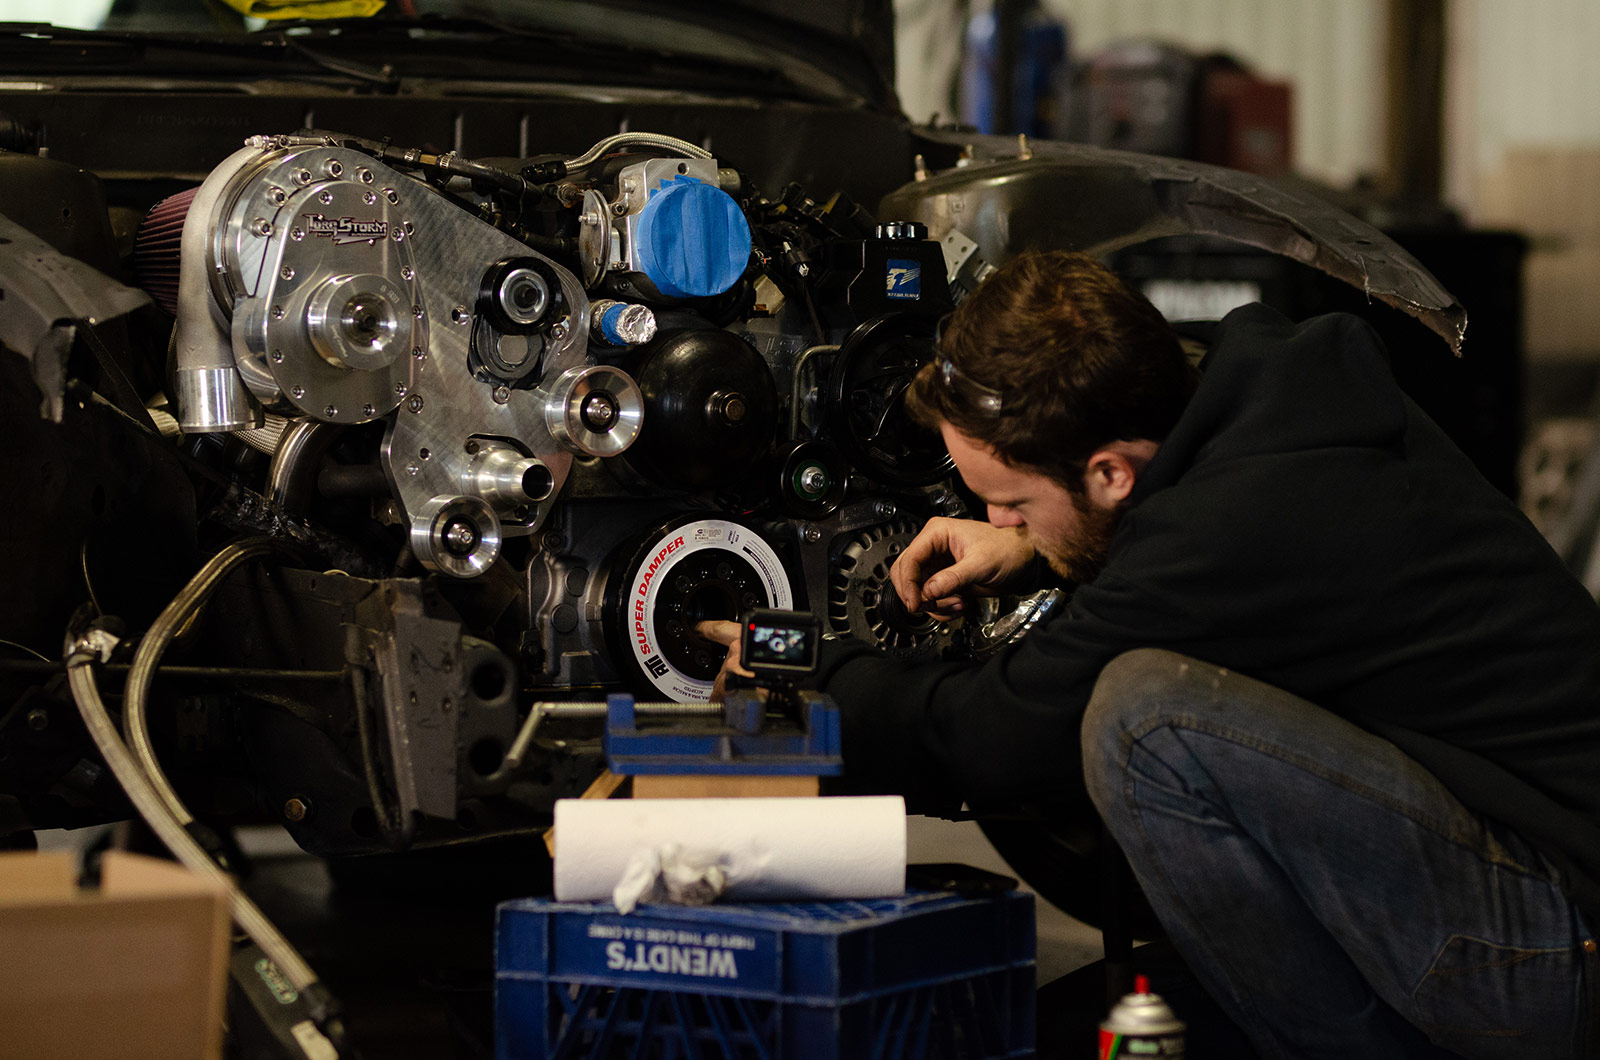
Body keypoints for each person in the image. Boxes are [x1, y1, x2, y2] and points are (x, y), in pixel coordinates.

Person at [699, 249, 1599, 1059]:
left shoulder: (1231, 531)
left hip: (1555, 947)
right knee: (1072, 1028)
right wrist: (1039, 540)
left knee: (1143, 715)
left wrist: (818, 671)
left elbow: (990, 737)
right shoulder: (1258, 395)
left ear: (1109, 474)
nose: (995, 523)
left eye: (1009, 501)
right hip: (1508, 866)